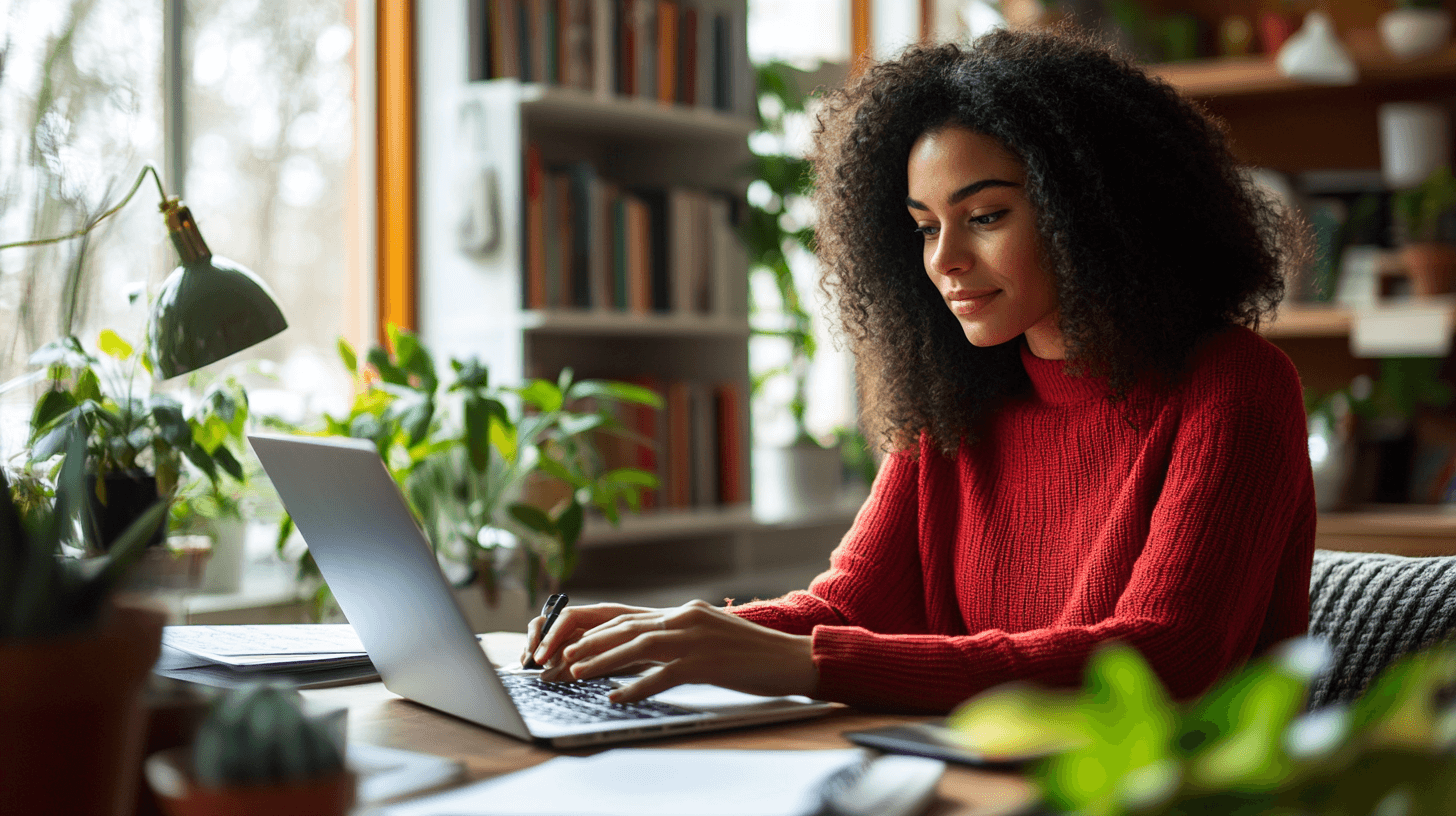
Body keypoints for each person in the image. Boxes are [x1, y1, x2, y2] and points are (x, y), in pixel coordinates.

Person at [522, 27, 1316, 713]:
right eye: (924, 227)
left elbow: (1163, 658)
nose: (946, 261)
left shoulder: (1235, 384)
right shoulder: (958, 398)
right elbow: (848, 607)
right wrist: (665, 634)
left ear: (1095, 210)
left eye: (986, 217)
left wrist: (806, 664)